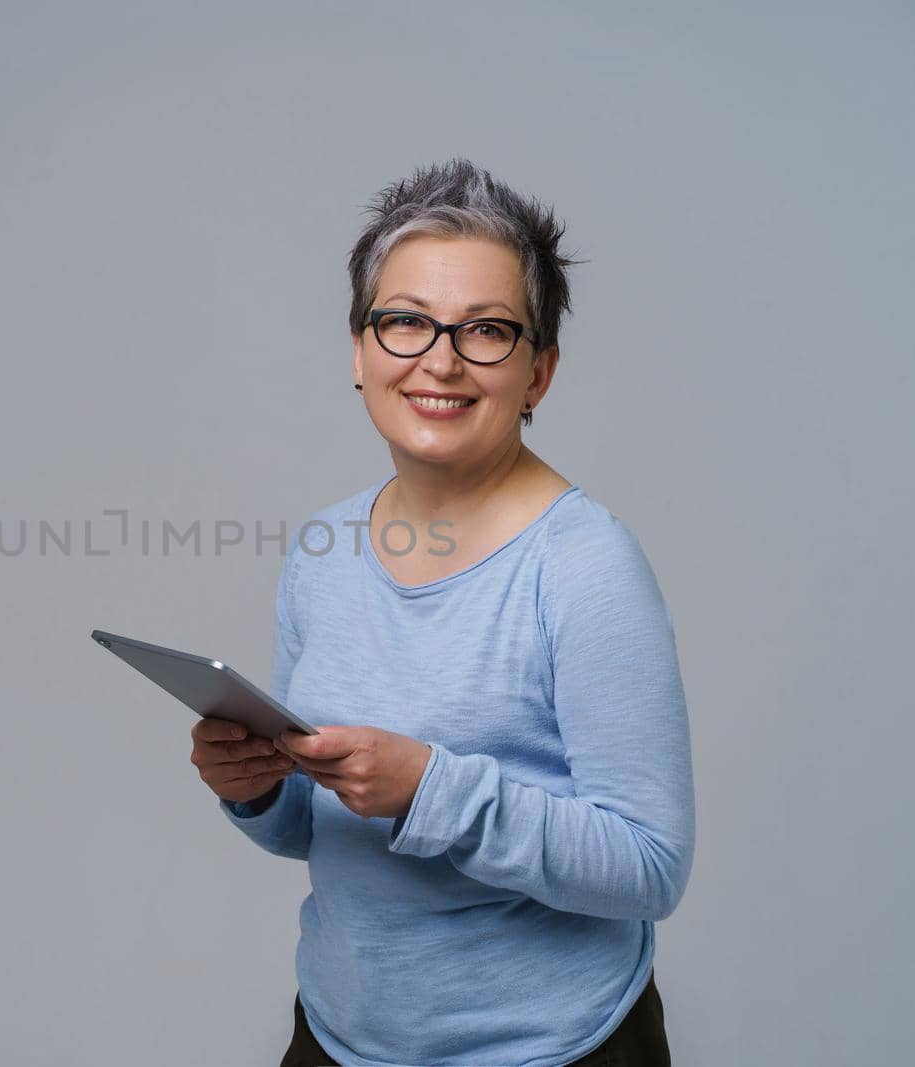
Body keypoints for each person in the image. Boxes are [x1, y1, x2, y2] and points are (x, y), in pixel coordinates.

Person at [189, 159, 695, 1067]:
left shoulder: (584, 565)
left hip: (550, 1052)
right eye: (405, 321)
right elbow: (321, 827)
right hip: (341, 1040)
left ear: (538, 373)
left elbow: (649, 866)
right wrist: (256, 788)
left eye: (488, 331)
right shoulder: (324, 547)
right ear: (359, 350)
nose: (440, 359)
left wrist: (434, 788)